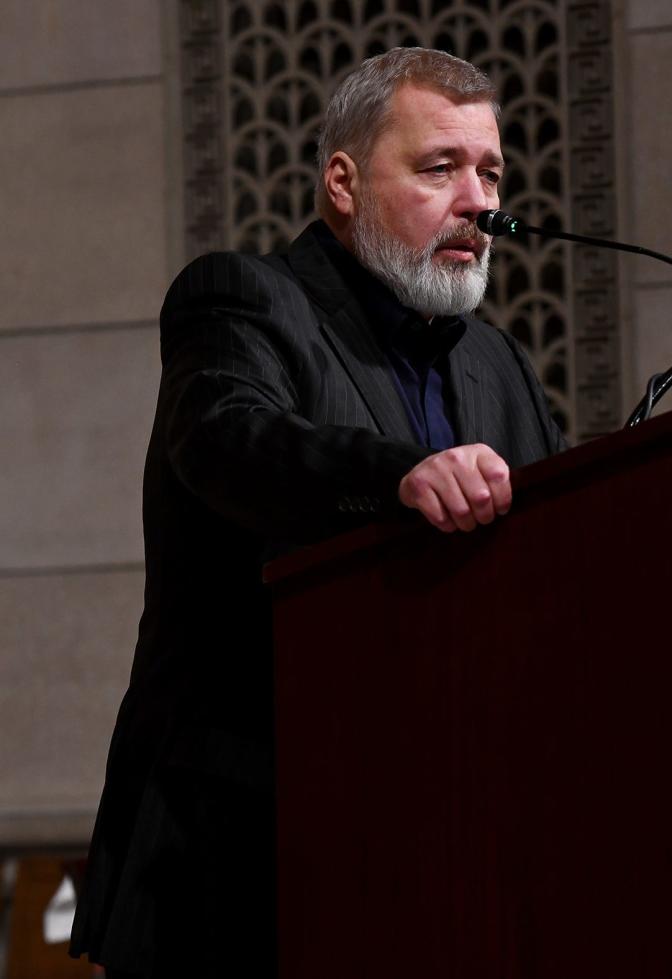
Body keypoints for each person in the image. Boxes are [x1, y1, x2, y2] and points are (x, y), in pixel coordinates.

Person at [70, 47, 567, 978]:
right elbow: (227, 437)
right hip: (238, 855)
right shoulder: (243, 300)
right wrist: (399, 476)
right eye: (439, 168)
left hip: (440, 856)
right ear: (342, 182)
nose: (480, 203)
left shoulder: (493, 364)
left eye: (491, 173)